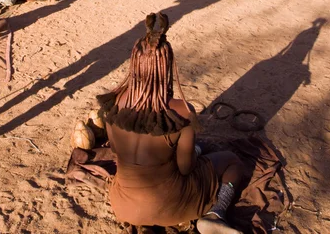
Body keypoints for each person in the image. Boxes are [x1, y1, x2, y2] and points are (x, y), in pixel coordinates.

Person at [98, 13, 243, 233]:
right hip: (173, 205)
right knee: (232, 161)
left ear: (134, 65)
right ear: (166, 67)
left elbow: (118, 155)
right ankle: (216, 213)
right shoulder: (181, 111)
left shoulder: (113, 105)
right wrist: (193, 152)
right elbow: (186, 169)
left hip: (124, 206)